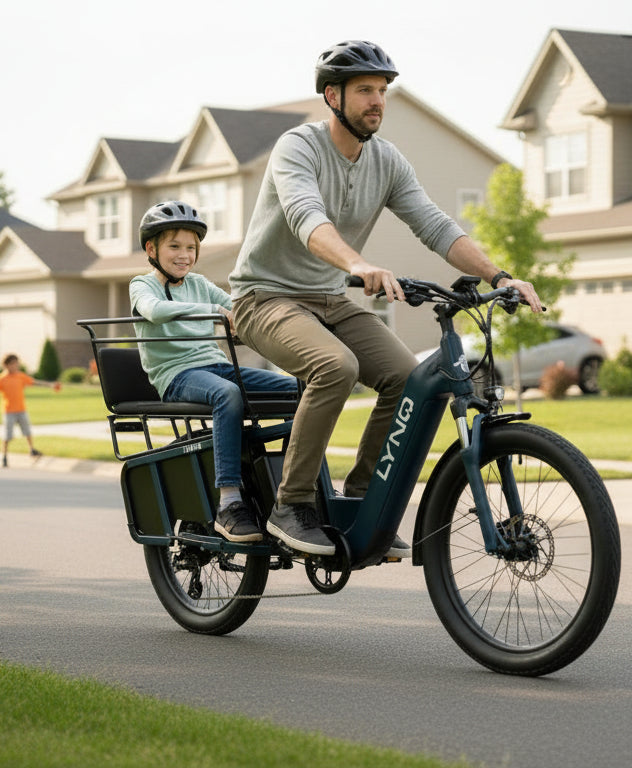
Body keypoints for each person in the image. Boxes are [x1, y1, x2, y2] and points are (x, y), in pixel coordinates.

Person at [227, 40, 544, 556]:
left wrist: (498, 276)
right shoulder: (298, 147)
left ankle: (362, 502)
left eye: (383, 91)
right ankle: (292, 505)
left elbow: (435, 225)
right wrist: (357, 263)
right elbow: (307, 216)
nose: (377, 101)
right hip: (265, 297)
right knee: (335, 366)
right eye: (365, 91)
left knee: (411, 379)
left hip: (329, 298)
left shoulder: (387, 161)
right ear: (333, 96)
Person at [130, 201, 298, 543]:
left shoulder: (201, 283)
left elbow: (239, 310)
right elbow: (154, 310)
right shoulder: (141, 285)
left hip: (218, 367)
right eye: (174, 246)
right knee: (227, 395)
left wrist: (277, 313)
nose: (184, 255)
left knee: (300, 390)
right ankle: (229, 503)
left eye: (190, 248)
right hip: (177, 376)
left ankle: (294, 489)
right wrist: (213, 311)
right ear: (152, 248)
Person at [0, 354, 59, 467]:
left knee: (27, 431)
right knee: (7, 435)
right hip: (8, 411)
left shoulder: (20, 376)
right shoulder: (1, 378)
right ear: (6, 365)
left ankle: (32, 450)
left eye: (17, 363)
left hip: (21, 409)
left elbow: (34, 382)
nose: (16, 366)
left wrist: (51, 385)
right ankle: (4, 456)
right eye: (13, 364)